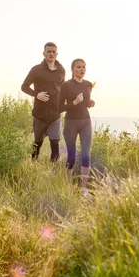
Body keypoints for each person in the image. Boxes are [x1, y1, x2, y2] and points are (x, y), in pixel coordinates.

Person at [21, 42, 66, 161]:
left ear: (57, 54)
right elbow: (24, 86)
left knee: (55, 143)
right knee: (37, 143)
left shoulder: (61, 71)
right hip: (39, 114)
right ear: (44, 53)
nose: (51, 54)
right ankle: (33, 164)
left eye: (53, 52)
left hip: (55, 114)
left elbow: (63, 89)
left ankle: (54, 170)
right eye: (49, 51)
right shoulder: (36, 69)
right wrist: (37, 95)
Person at [58, 58, 95, 193]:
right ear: (72, 69)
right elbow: (59, 108)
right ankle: (67, 187)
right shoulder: (66, 85)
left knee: (86, 155)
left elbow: (85, 103)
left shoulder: (88, 84)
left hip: (85, 122)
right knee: (72, 156)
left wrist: (90, 103)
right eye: (78, 67)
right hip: (70, 123)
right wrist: (74, 103)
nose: (82, 69)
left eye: (83, 67)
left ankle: (83, 189)